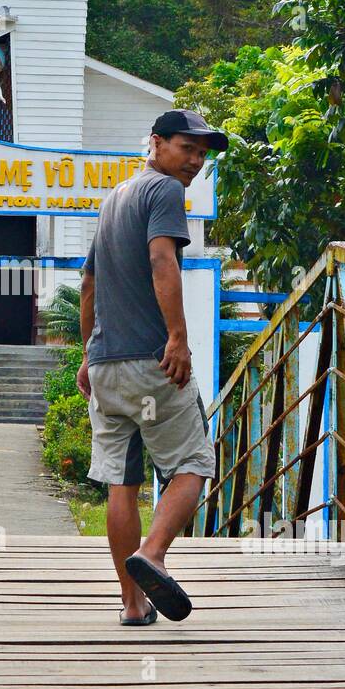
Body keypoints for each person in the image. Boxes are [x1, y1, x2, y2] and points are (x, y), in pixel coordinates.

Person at [77, 109, 228, 625]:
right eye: (188, 148)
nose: (196, 162)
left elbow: (89, 285)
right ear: (157, 144)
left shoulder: (112, 200)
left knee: (122, 484)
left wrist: (87, 355)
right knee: (194, 463)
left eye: (203, 155)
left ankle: (132, 605)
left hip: (107, 367)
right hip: (151, 361)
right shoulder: (162, 191)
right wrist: (178, 339)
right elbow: (164, 260)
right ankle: (154, 554)